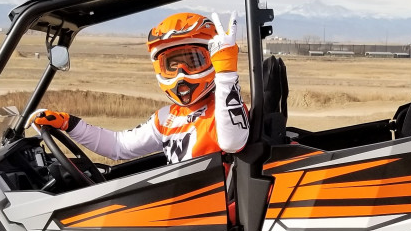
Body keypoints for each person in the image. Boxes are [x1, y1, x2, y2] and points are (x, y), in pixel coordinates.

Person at [33, 11, 249, 165]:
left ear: (212, 60)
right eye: (172, 65)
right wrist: (69, 123)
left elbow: (232, 142)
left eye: (193, 61)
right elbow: (118, 146)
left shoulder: (225, 110)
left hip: (213, 213)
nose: (181, 74)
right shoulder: (167, 118)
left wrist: (226, 72)